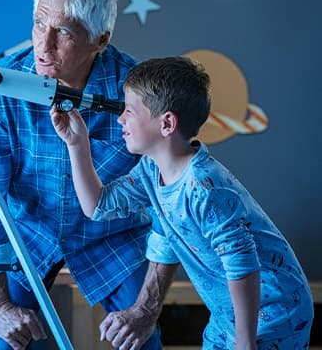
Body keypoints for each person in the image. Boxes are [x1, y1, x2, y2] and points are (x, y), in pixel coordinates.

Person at [0, 0, 162, 349]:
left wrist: (147, 310)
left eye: (64, 32)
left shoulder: (140, 94)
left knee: (144, 341)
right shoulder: (2, 87)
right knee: (4, 342)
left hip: (113, 236)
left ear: (100, 39)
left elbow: (168, 205)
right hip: (30, 233)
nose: (43, 44)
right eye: (39, 24)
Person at [51, 56, 314, 349]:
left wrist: (245, 342)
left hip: (275, 314)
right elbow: (98, 206)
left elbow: (242, 265)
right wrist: (77, 144)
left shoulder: (205, 188)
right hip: (228, 315)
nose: (120, 118)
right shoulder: (152, 170)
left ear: (167, 123)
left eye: (129, 111)